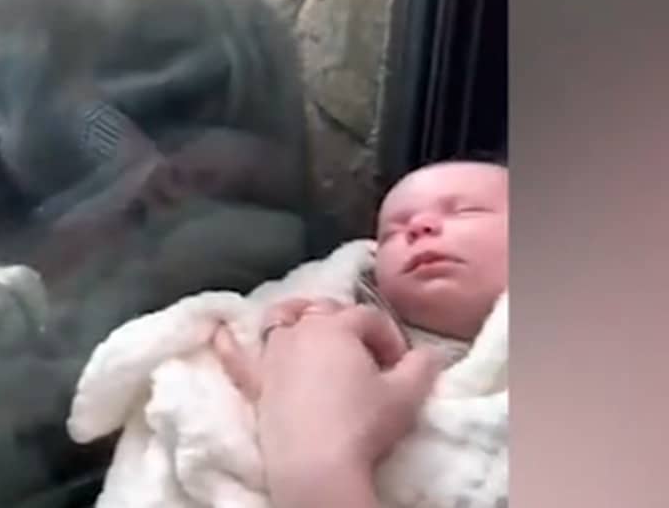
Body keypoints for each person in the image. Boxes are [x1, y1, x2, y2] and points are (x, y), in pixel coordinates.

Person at [212, 159, 509, 508]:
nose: (418, 227)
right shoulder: (331, 314)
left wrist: (314, 464)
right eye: (391, 234)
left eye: (465, 211)